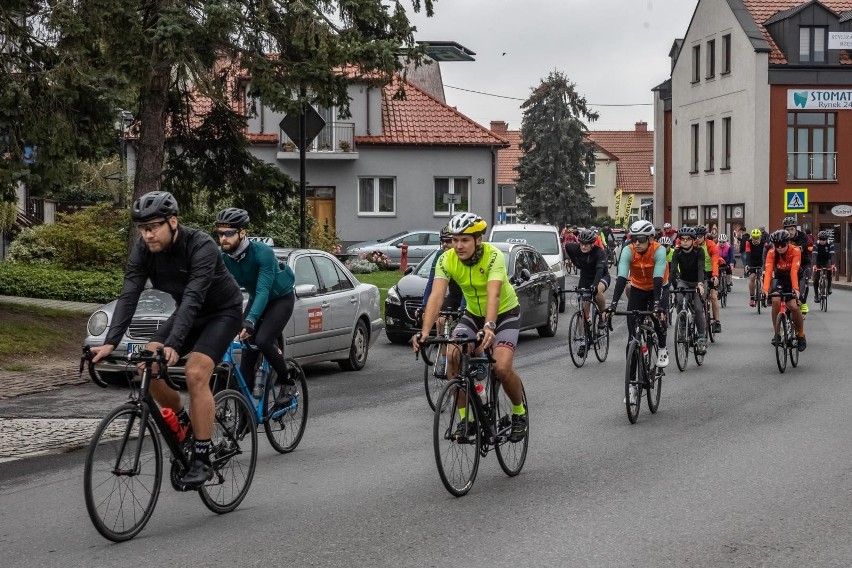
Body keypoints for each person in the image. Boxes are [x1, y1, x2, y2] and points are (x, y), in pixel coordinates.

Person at [90, 191, 243, 488]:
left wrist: (173, 343)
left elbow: (194, 298)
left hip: (222, 312)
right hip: (188, 314)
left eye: (154, 227)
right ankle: (183, 418)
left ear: (173, 222)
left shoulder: (201, 246)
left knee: (195, 373)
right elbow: (129, 294)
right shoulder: (143, 251)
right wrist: (110, 341)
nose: (147, 235)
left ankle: (202, 458)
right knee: (146, 364)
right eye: (142, 229)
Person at [411, 213, 528, 443]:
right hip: (473, 314)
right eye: (454, 240)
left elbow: (493, 294)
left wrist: (490, 326)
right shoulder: (447, 259)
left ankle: (519, 413)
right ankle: (468, 419)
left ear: (478, 240)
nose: (458, 245)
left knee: (502, 367)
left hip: (505, 314)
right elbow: (436, 296)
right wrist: (425, 331)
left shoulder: (493, 256)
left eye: (464, 240)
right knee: (453, 358)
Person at [215, 207, 298, 410]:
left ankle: (288, 382)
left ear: (242, 233)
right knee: (246, 357)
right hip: (257, 299)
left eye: (228, 233)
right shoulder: (224, 257)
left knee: (262, 340)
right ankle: (247, 416)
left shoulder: (263, 253)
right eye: (219, 233)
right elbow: (217, 289)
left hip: (280, 298)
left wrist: (250, 320)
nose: (223, 238)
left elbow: (263, 290)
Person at [605, 219, 670, 368]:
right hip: (638, 288)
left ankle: (662, 348)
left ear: (651, 238)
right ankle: (632, 384)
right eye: (633, 239)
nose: (637, 243)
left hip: (658, 286)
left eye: (640, 239)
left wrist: (656, 305)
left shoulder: (659, 250)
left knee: (658, 317)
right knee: (632, 336)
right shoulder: (628, 250)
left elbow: (658, 277)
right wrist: (613, 305)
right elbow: (621, 277)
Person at [564, 228, 611, 357]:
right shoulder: (574, 248)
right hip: (585, 278)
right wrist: (576, 262)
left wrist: (595, 285)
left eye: (586, 244)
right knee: (582, 310)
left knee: (597, 292)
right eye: (582, 244)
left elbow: (600, 270)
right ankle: (584, 339)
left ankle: (602, 315)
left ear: (592, 244)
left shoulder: (599, 252)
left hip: (601, 276)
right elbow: (566, 246)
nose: (583, 247)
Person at [762, 229, 806, 351]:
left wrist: (796, 289)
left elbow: (794, 271)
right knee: (775, 299)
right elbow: (769, 271)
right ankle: (776, 334)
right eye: (777, 245)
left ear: (788, 243)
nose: (780, 248)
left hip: (796, 277)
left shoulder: (795, 250)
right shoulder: (771, 253)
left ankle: (801, 335)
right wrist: (765, 290)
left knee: (793, 306)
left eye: (782, 245)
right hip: (780, 277)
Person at [670, 227, 707, 354]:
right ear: (679, 240)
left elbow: (700, 268)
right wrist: (668, 285)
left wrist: (701, 284)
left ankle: (701, 338)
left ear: (693, 240)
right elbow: (673, 270)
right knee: (679, 301)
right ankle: (682, 326)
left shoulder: (699, 251)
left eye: (688, 239)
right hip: (684, 281)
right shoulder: (677, 252)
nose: (685, 241)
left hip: (698, 282)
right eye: (682, 239)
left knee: (697, 308)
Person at [695, 226, 722, 333]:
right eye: (696, 236)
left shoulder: (711, 246)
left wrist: (715, 276)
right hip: (699, 272)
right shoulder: (694, 245)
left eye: (700, 236)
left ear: (705, 236)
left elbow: (715, 261)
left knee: (713, 296)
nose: (697, 238)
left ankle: (717, 321)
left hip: (711, 272)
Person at [782, 217, 811, 314]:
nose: (790, 232)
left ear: (796, 229)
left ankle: (803, 302)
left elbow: (803, 245)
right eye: (787, 229)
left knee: (804, 282)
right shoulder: (783, 237)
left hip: (803, 263)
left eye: (792, 229)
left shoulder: (802, 236)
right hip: (790, 265)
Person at [744, 228, 769, 307]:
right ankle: (752, 297)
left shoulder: (764, 243)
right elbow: (747, 254)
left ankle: (765, 296)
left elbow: (766, 255)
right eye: (754, 238)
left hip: (761, 261)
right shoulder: (748, 242)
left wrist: (766, 266)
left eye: (757, 238)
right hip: (752, 261)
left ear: (760, 237)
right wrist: (747, 265)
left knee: (764, 278)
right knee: (752, 277)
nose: (755, 240)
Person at [812, 230, 836, 302]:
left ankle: (828, 287)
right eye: (820, 239)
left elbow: (832, 255)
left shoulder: (830, 244)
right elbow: (814, 255)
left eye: (824, 239)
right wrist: (814, 265)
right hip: (818, 260)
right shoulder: (816, 244)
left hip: (826, 260)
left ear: (826, 239)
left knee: (829, 272)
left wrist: (833, 265)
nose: (822, 241)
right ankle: (816, 295)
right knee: (816, 278)